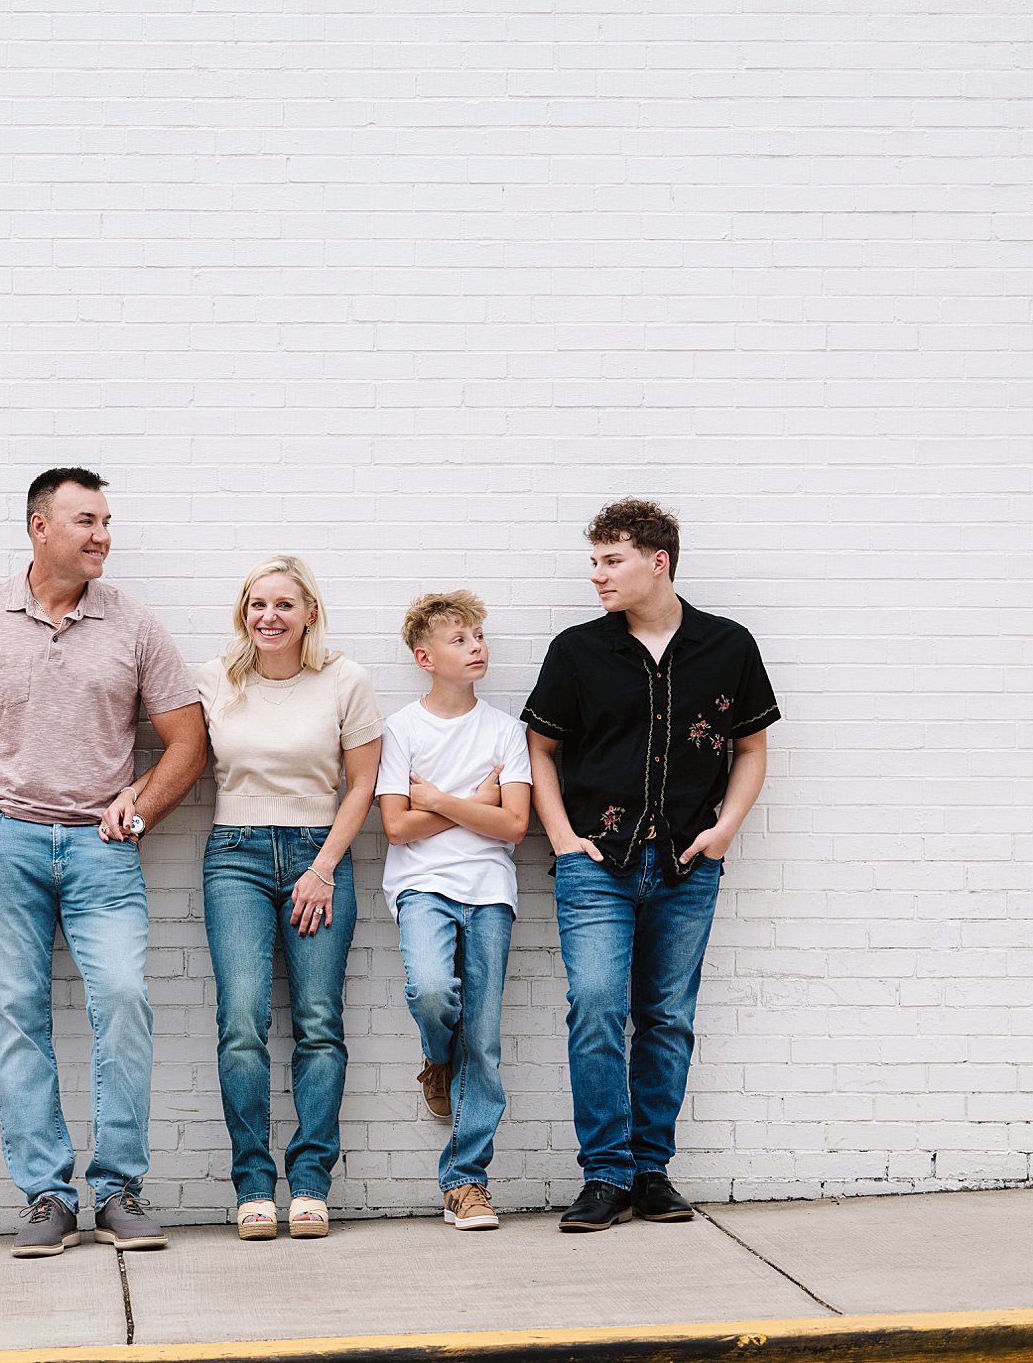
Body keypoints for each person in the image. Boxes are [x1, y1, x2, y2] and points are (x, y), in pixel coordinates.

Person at [0, 467, 207, 1259]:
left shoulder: (135, 623)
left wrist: (140, 803)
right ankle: (48, 1194)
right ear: (40, 526)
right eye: (87, 520)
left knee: (122, 999)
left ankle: (117, 1189)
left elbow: (188, 739)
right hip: (6, 839)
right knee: (16, 1013)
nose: (103, 534)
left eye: (107, 520)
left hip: (101, 848)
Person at [524, 498, 780, 1232]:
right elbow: (541, 749)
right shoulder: (577, 650)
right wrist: (564, 837)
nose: (598, 576)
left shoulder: (727, 645)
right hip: (595, 865)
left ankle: (650, 1171)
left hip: (688, 864)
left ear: (656, 560)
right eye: (594, 562)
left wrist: (726, 830)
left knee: (666, 1017)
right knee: (598, 1008)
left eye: (612, 561)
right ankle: (604, 1175)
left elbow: (752, 747)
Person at [147, 555, 380, 1241]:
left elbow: (361, 783)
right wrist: (132, 796)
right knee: (243, 1018)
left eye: (284, 604)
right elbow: (182, 759)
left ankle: (309, 1183)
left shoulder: (346, 680)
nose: (269, 617)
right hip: (236, 855)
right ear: (242, 613)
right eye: (257, 604)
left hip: (319, 851)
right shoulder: (215, 680)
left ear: (310, 610)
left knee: (318, 1019)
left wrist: (325, 866)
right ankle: (253, 1185)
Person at [375, 590, 531, 1232]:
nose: (476, 648)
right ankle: (439, 1058)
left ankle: (466, 1183)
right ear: (425, 656)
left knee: (485, 1042)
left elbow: (515, 824)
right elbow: (396, 828)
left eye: (479, 637)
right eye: (460, 640)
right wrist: (471, 802)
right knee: (433, 992)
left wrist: (435, 800)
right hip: (422, 887)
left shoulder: (506, 730)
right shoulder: (401, 730)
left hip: (490, 891)